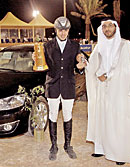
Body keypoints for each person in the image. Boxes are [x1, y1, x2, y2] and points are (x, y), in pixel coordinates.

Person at [84, 18, 130, 165]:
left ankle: (119, 153)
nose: (107, 29)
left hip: (120, 90)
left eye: (110, 26)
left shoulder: (125, 45)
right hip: (102, 89)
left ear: (115, 28)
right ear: (101, 29)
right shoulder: (99, 46)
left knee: (117, 120)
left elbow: (127, 68)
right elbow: (92, 66)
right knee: (102, 117)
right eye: (104, 26)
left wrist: (108, 76)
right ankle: (101, 148)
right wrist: (93, 70)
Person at [33, 16, 86, 161]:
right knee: (53, 115)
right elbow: (41, 65)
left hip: (68, 86)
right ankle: (54, 145)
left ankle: (68, 145)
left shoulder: (75, 46)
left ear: (68, 30)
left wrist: (80, 67)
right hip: (53, 86)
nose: (63, 33)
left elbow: (78, 63)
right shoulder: (47, 46)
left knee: (68, 115)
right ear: (56, 30)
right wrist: (35, 59)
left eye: (65, 30)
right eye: (60, 30)